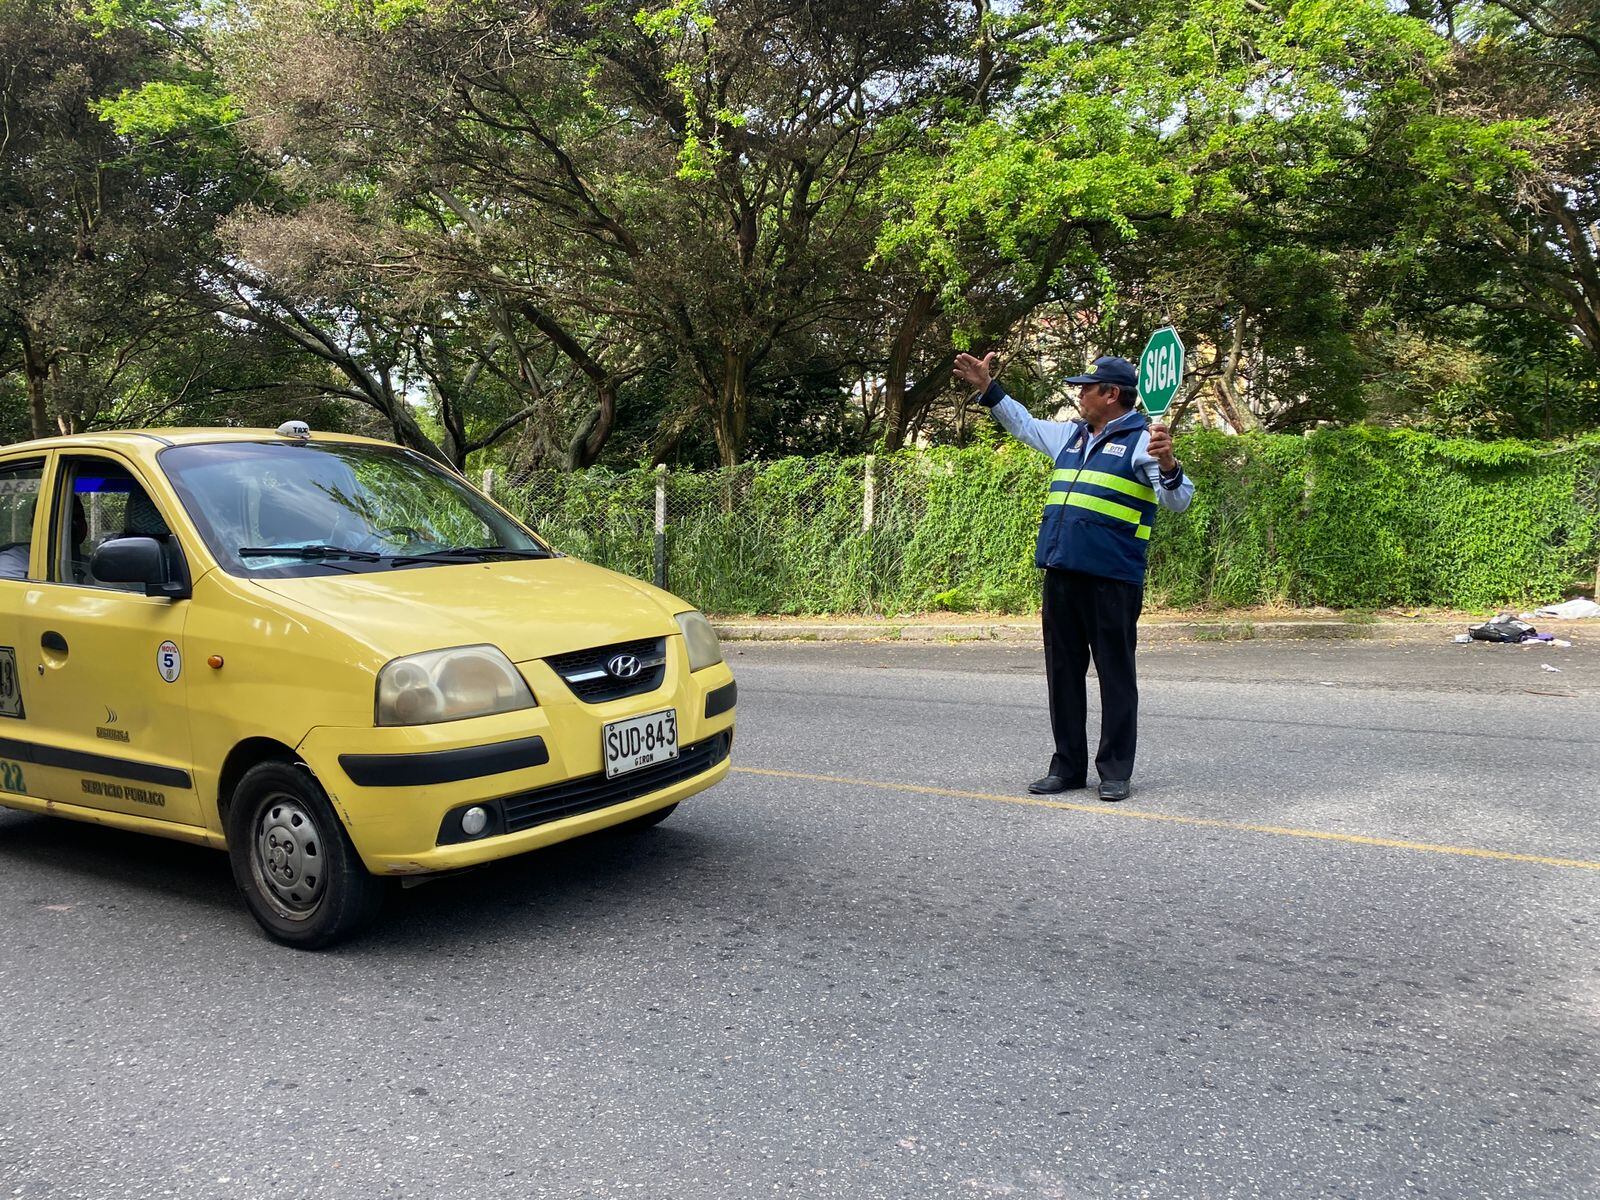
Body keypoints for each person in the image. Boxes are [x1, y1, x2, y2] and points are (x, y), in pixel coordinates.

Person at [953, 351, 1194, 802]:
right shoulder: (1072, 436)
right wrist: (988, 388)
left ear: (1111, 393)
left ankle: (1115, 771)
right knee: (1062, 675)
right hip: (1062, 573)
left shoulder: (1143, 440)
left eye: (1086, 388)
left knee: (1115, 676)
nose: (1079, 395)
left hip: (1112, 579)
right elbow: (1024, 424)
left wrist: (1168, 466)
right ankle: (1067, 768)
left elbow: (1177, 500)